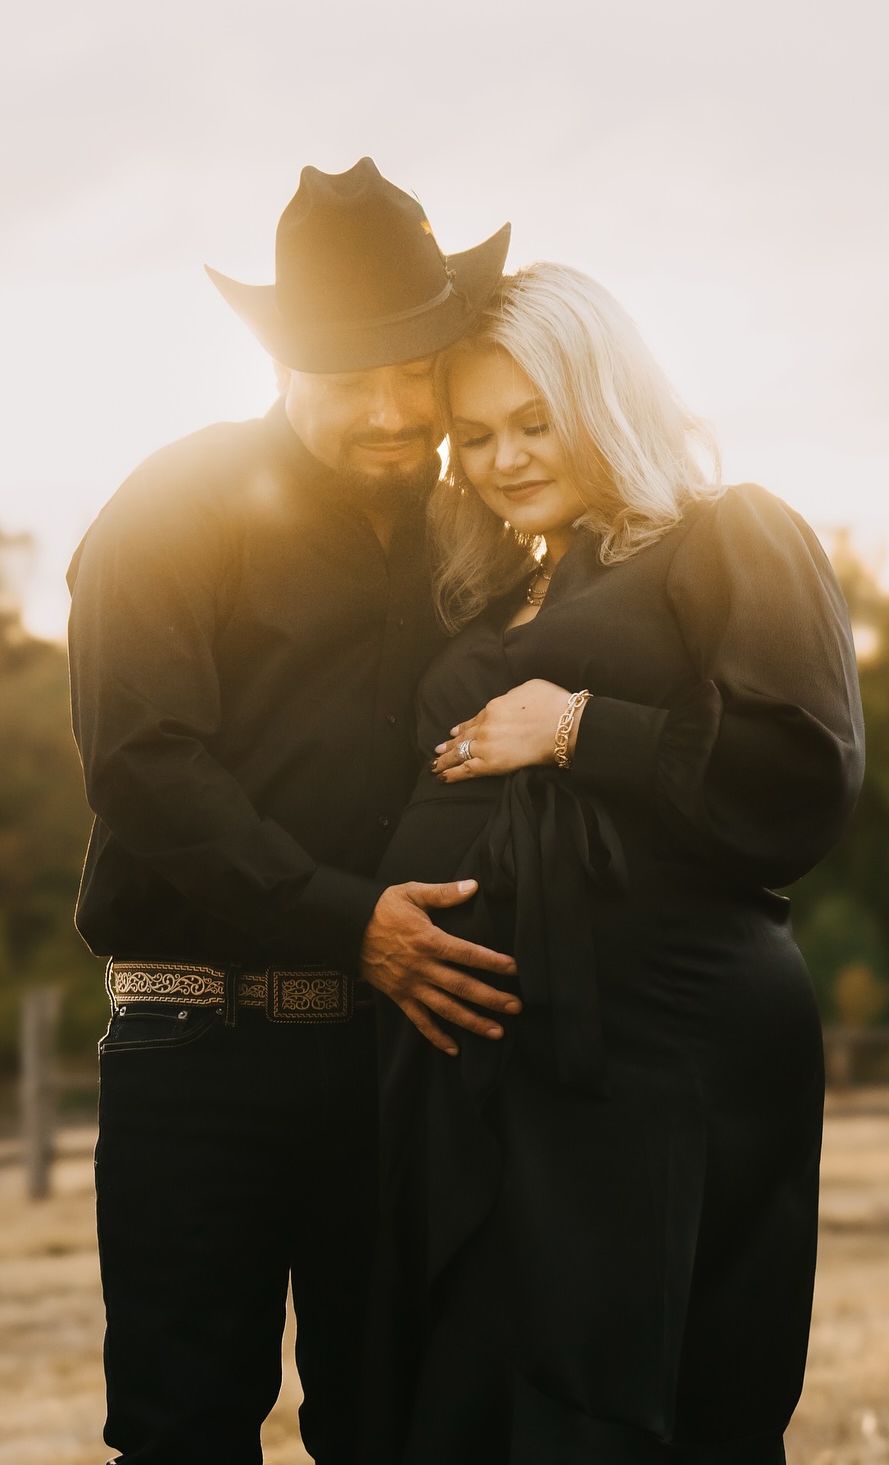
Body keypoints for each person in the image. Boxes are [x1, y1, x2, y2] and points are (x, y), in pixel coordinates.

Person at [66, 157, 524, 1465]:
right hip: (198, 1052)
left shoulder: (463, 529)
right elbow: (147, 767)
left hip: (394, 1059)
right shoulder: (169, 509)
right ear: (279, 366)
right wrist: (349, 926)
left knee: (397, 1423)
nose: (394, 409)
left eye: (416, 370)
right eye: (351, 376)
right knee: (185, 1426)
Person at [369, 263, 866, 1463]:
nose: (504, 459)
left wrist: (581, 724)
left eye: (536, 422)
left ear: (606, 397)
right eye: (476, 434)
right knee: (488, 1397)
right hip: (498, 1061)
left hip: (663, 1044)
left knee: (629, 1399)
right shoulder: (491, 590)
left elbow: (803, 772)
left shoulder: (730, 535)